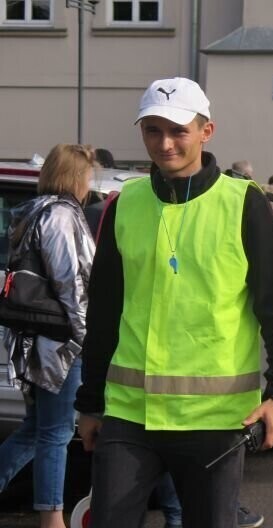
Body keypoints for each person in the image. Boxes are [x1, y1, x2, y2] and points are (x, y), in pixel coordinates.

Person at [73, 77, 273, 528]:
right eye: (153, 130)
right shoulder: (124, 205)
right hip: (129, 417)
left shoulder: (242, 203)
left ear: (206, 131)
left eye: (178, 130)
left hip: (216, 422)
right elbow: (103, 312)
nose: (165, 143)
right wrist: (91, 402)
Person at [0, 144, 94, 528]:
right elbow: (71, 282)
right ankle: (52, 518)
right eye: (89, 176)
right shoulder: (60, 215)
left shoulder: (30, 213)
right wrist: (86, 334)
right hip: (60, 343)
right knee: (56, 433)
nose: (91, 184)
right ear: (75, 177)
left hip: (34, 340)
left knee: (37, 429)